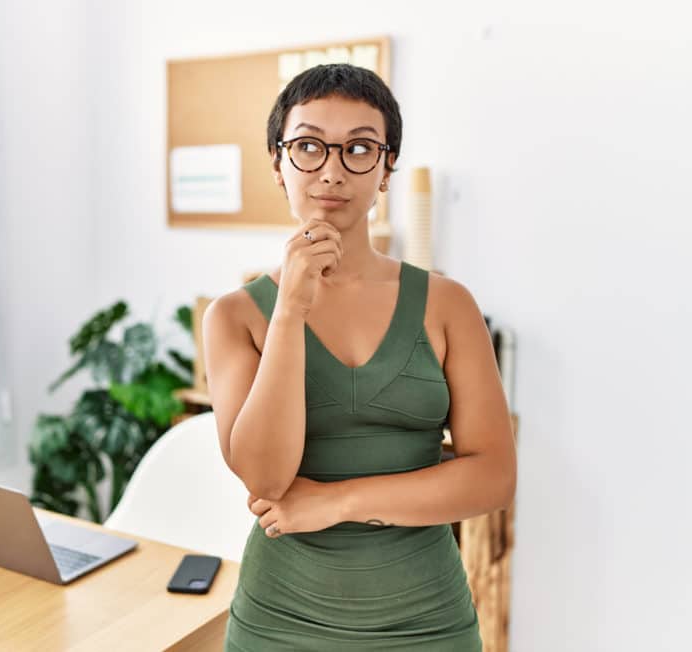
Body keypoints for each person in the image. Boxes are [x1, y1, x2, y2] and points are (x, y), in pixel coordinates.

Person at [202, 63, 517, 650]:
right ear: (278, 164)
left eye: (359, 148)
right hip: (280, 622)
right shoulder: (234, 318)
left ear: (386, 169)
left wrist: (337, 501)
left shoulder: (447, 305)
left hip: (428, 622)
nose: (332, 170)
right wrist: (290, 311)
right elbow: (266, 476)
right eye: (308, 147)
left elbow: (493, 477)